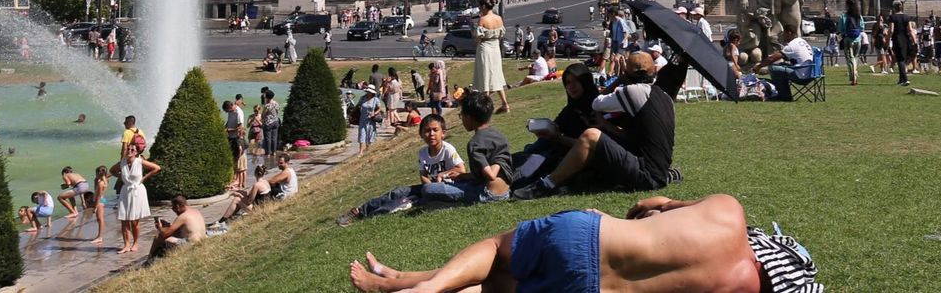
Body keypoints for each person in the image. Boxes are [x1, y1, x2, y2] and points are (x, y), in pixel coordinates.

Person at [345, 194, 821, 293]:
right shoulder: (741, 290)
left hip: (588, 234)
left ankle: (423, 290)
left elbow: (654, 207)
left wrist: (648, 210)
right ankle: (399, 282)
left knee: (495, 250)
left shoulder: (728, 210)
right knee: (498, 291)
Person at [512, 52, 674, 199]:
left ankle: (545, 186)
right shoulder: (665, 97)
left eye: (576, 81)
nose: (571, 87)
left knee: (591, 135)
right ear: (654, 71)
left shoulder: (634, 91)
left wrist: (620, 79)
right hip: (657, 171)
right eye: (568, 83)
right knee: (531, 151)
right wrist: (606, 126)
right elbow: (637, 140)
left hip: (646, 174)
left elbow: (596, 103)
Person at [339, 114, 468, 224]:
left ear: (443, 133)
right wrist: (428, 187)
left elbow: (461, 170)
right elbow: (423, 174)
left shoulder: (448, 149)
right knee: (398, 192)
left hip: (448, 188)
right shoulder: (423, 152)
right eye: (427, 131)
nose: (431, 134)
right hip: (428, 188)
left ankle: (369, 216)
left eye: (435, 130)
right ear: (421, 134)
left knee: (402, 202)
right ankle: (359, 211)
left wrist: (443, 175)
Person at [113, 139, 160, 254]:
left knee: (134, 221)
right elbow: (112, 170)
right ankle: (126, 245)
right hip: (125, 191)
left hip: (137, 191)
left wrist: (144, 178)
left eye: (132, 150)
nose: (129, 151)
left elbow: (156, 168)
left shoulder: (140, 161)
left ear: (136, 152)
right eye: (128, 149)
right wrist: (120, 177)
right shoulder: (122, 162)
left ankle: (135, 243)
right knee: (124, 220)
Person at [476, 0, 512, 113]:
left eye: (480, 7)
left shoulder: (482, 19)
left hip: (485, 47)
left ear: (484, 7)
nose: (479, 9)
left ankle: (485, 107)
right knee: (496, 74)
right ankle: (505, 104)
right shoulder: (499, 18)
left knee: (485, 75)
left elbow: (478, 37)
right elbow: (501, 34)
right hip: (495, 46)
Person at [764, 33, 817, 101]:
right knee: (781, 66)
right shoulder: (802, 41)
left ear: (789, 33)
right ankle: (785, 95)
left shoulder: (792, 45)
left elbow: (772, 59)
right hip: (811, 74)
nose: (783, 37)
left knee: (773, 68)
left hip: (801, 77)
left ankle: (784, 96)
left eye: (784, 35)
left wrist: (759, 66)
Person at [888, 0, 917, 86]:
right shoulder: (906, 17)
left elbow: (891, 30)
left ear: (894, 8)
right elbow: (910, 30)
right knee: (903, 59)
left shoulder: (892, 17)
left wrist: (887, 39)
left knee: (900, 59)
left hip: (897, 39)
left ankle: (905, 79)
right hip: (906, 39)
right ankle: (901, 80)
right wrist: (914, 41)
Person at [840, 0, 864, 85]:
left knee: (850, 59)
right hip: (857, 39)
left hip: (848, 39)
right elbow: (862, 27)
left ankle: (853, 77)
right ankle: (855, 75)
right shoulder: (859, 16)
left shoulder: (844, 16)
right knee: (855, 58)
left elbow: (840, 28)